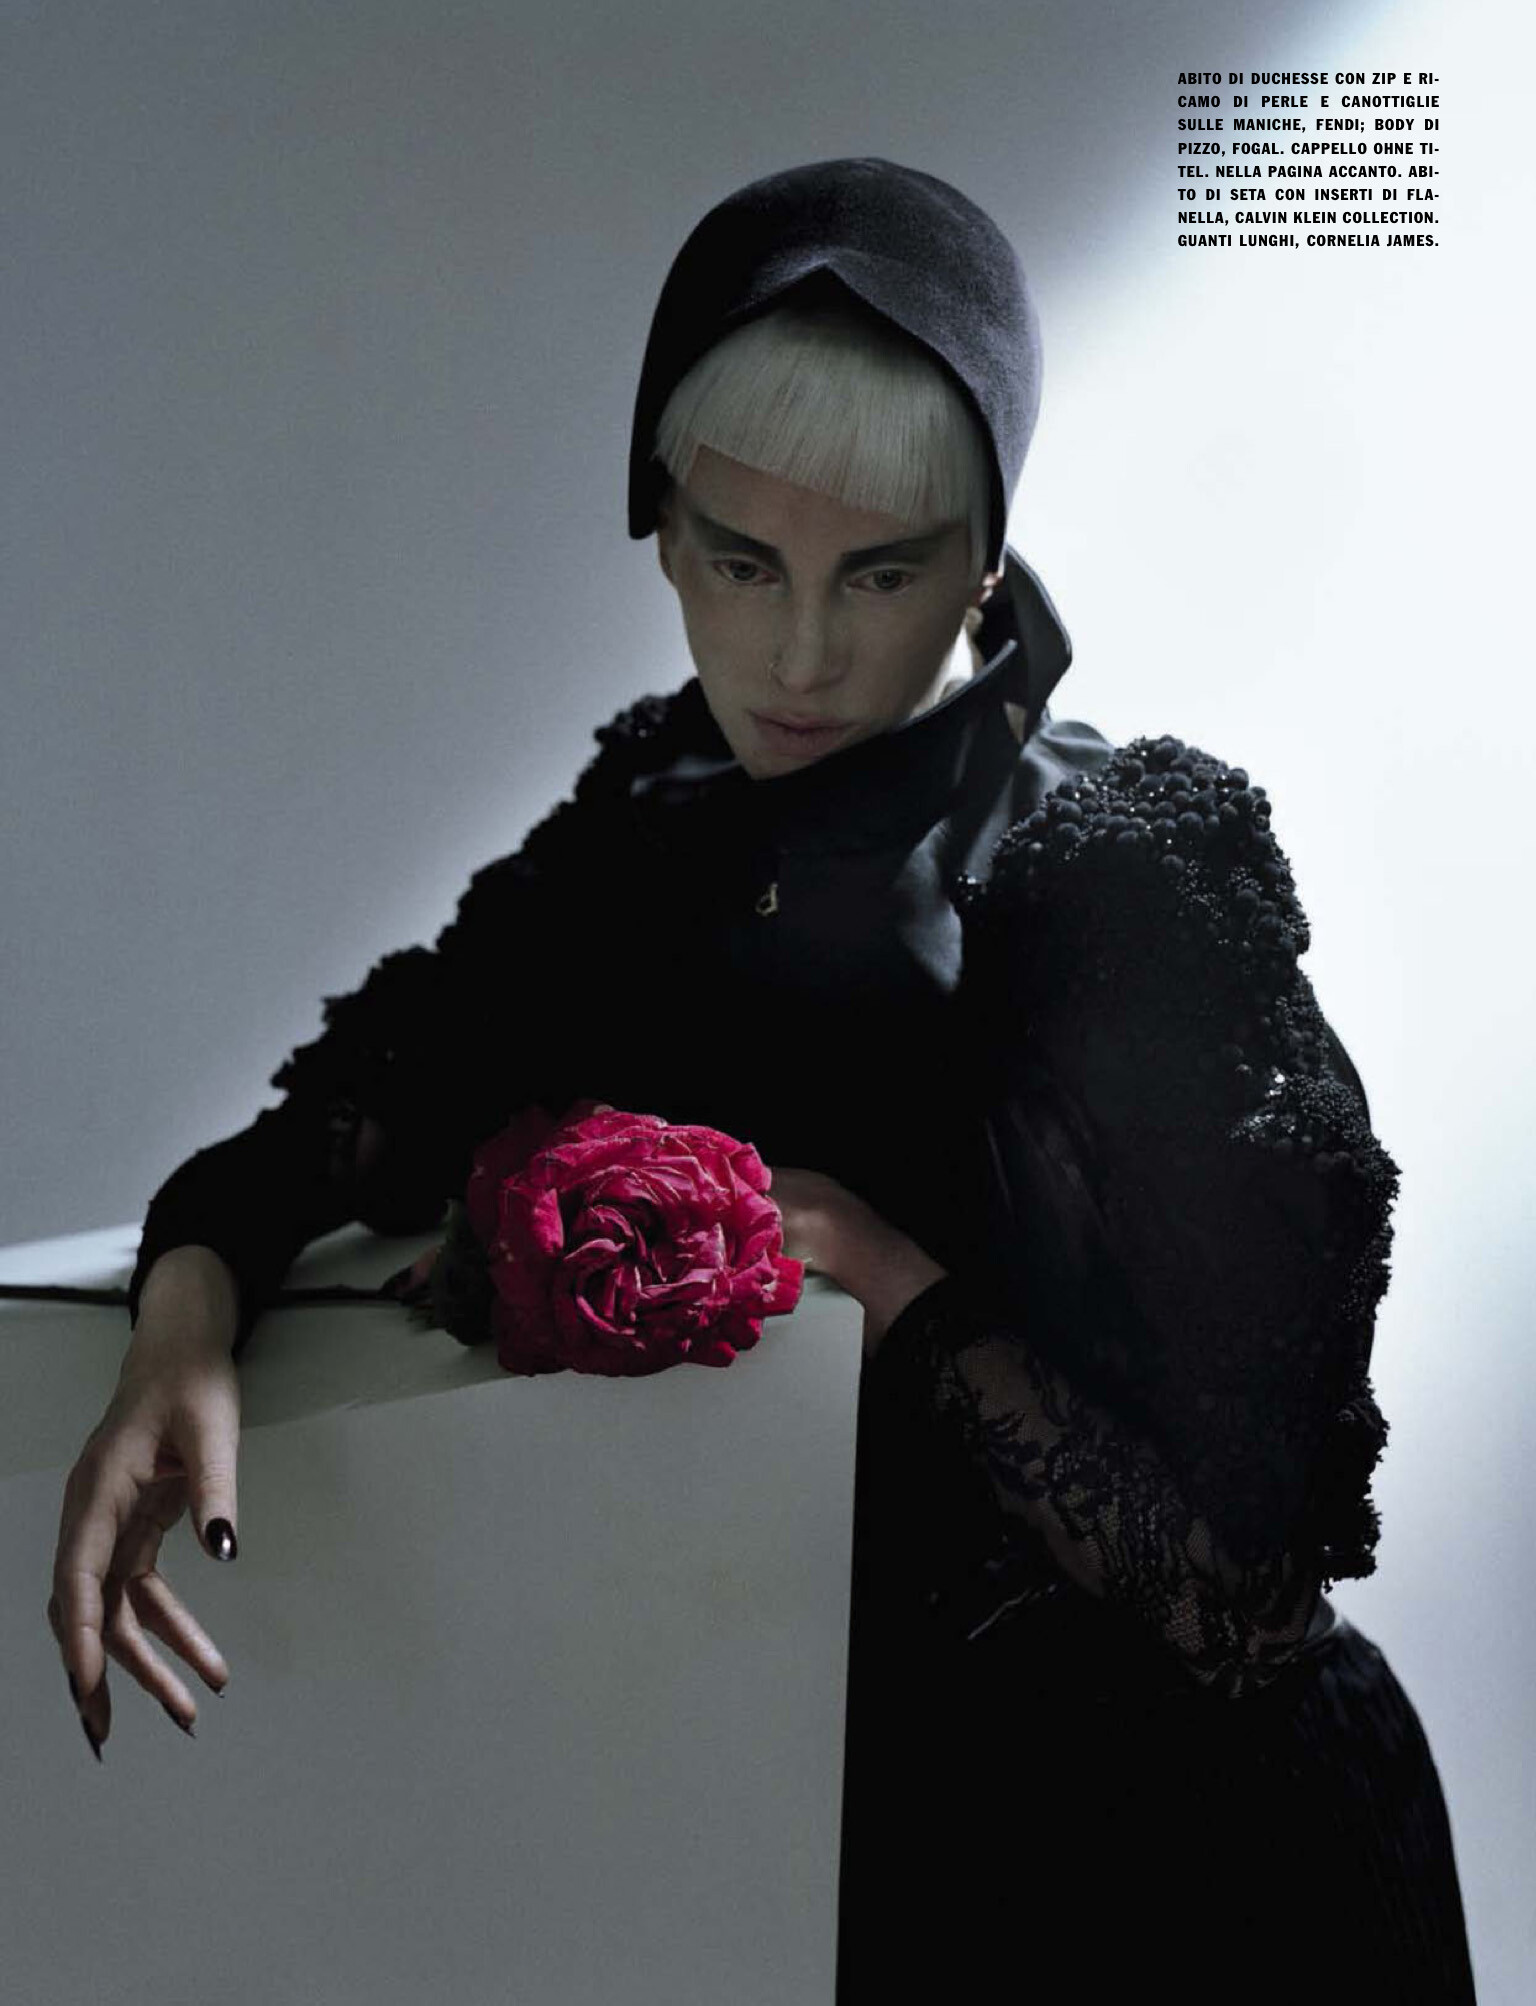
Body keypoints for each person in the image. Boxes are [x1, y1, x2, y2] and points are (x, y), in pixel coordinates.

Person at [48, 159, 1477, 2001]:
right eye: (741, 562)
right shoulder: (647, 831)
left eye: (880, 573)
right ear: (660, 530)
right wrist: (181, 1325)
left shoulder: (1122, 879)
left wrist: (889, 1281)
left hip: (1199, 1870)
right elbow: (328, 1132)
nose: (800, 654)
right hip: (818, 1847)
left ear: (984, 555)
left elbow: (1241, 1599)